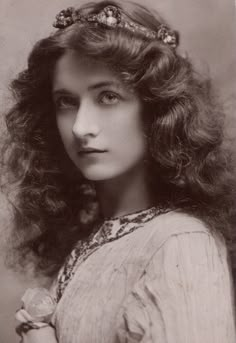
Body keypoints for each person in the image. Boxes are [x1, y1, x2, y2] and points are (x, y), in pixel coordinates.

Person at [1, 0, 236, 342]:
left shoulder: (181, 245)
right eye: (66, 102)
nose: (81, 127)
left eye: (108, 97)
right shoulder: (94, 241)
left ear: (156, 111)